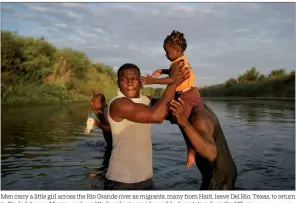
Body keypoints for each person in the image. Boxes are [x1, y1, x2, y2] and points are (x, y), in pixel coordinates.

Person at [104, 62, 189, 190]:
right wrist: (173, 82)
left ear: (140, 81)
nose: (129, 83)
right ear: (118, 83)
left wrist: (178, 76)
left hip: (146, 180)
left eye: (133, 79)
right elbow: (157, 116)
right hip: (120, 182)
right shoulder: (118, 104)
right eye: (124, 79)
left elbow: (168, 106)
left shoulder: (147, 100)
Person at [140, 30, 200, 168]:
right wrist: (163, 70)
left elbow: (173, 79)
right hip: (192, 92)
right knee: (184, 120)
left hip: (186, 96)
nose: (165, 54)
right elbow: (174, 72)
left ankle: (191, 149)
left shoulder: (175, 64)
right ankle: (192, 148)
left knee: (182, 121)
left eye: (167, 51)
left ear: (177, 49)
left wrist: (152, 80)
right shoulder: (181, 61)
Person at [169, 98, 237, 190]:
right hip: (223, 172)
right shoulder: (197, 105)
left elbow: (211, 152)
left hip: (219, 178)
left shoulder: (198, 118)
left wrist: (184, 123)